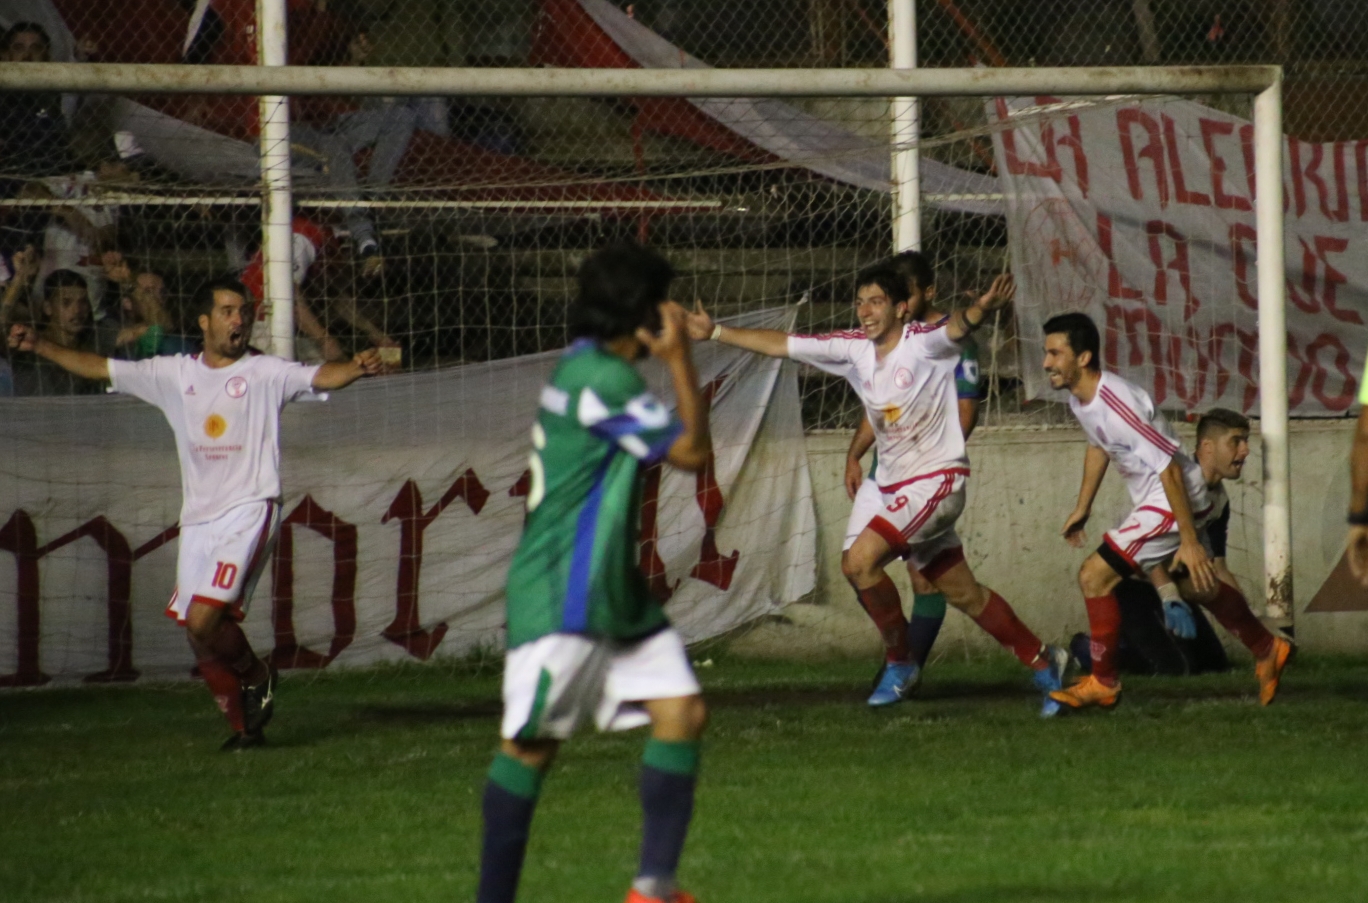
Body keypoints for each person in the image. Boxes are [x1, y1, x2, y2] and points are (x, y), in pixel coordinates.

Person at [7, 276, 385, 748]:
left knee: (205, 620)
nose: (239, 319)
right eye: (228, 310)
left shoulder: (265, 372)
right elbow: (100, 367)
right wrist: (40, 343)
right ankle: (246, 733)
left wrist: (355, 366)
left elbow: (321, 376)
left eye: (243, 311)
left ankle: (257, 675)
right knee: (196, 633)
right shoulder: (173, 374)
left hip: (250, 509)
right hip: (199, 519)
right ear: (204, 321)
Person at [688, 266, 1068, 714]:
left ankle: (900, 662)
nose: (865, 311)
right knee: (964, 594)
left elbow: (958, 325)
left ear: (900, 308)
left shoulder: (923, 342)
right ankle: (1046, 662)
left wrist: (982, 307)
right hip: (893, 485)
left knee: (859, 562)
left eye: (875, 301)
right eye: (860, 301)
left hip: (937, 480)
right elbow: (783, 345)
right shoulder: (853, 349)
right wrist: (715, 331)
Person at [478, 242, 711, 903]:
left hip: (612, 591)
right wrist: (681, 358)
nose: (672, 308)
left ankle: (652, 888)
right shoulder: (601, 381)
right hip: (564, 593)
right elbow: (692, 451)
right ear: (642, 311)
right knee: (528, 750)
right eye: (663, 297)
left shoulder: (584, 366)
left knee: (682, 710)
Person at [1042, 313, 1290, 710]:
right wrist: (1082, 507)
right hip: (1165, 500)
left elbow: (1170, 467)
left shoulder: (1117, 401)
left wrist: (1190, 541)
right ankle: (1267, 647)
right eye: (1046, 353)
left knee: (1093, 576)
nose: (1047, 363)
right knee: (1194, 586)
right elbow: (1098, 446)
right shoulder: (1081, 400)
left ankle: (1103, 682)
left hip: (1173, 496)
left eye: (1055, 353)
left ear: (1084, 357)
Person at [843, 251, 982, 688]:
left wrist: (934, 462)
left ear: (924, 294)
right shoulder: (885, 342)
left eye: (903, 292)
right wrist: (855, 453)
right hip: (883, 475)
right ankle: (900, 657)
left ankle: (905, 667)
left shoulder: (951, 341)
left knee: (926, 579)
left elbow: (965, 412)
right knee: (855, 564)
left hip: (926, 478)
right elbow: (881, 404)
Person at [1142, 409, 1293, 702]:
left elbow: (1216, 568)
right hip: (1134, 585)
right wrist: (1168, 593)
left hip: (1169, 590)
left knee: (1213, 662)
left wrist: (1253, 625)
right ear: (1207, 447)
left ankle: (1267, 650)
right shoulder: (1176, 484)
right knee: (1175, 669)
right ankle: (1087, 652)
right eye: (1235, 441)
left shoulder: (1218, 500)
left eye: (1245, 441)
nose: (1245, 450)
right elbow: (1141, 551)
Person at [7, 268, 122, 395]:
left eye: (82, 302)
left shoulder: (95, 338)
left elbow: (136, 332)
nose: (77, 310)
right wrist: (19, 279)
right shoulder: (25, 341)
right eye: (66, 302)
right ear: (48, 308)